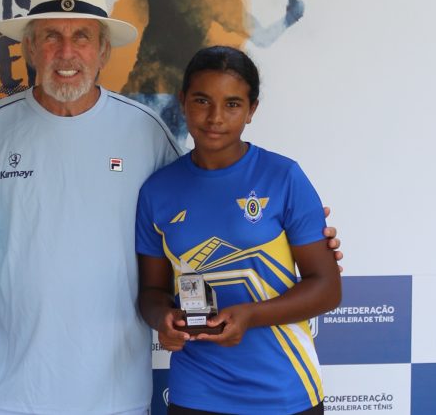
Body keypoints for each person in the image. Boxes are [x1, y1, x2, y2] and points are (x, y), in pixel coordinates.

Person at [0, 0, 340, 414]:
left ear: (104, 49)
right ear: (29, 46)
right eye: (51, 36)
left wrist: (300, 238)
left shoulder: (146, 132)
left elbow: (197, 207)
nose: (66, 53)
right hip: (8, 390)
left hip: (116, 391)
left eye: (82, 37)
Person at [136, 46, 340, 415]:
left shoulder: (283, 177)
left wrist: (250, 316)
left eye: (232, 104)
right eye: (202, 100)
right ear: (183, 101)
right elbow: (152, 291)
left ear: (251, 109)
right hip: (196, 389)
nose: (215, 117)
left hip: (284, 388)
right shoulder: (157, 190)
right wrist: (162, 319)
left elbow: (327, 288)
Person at [106, 0, 305, 141]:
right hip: (169, 98)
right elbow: (263, 37)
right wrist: (289, 19)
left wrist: (289, 18)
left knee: (125, 154)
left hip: (149, 91)